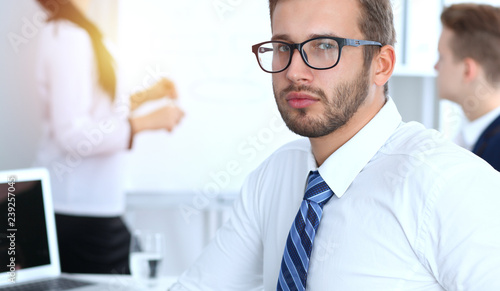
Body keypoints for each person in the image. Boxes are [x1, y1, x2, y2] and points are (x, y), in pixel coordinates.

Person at [170, 0, 500, 290]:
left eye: (325, 46)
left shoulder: (448, 184)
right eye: (284, 47)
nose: (295, 72)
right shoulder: (273, 176)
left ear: (381, 65)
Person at [33, 0, 184, 274]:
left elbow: (98, 112)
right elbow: (72, 134)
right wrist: (144, 123)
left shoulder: (79, 32)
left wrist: (145, 96)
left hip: (90, 208)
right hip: (77, 210)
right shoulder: (67, 37)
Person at [435, 3, 500, 171]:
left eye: (442, 57)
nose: (435, 66)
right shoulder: (471, 137)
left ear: (467, 70)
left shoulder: (493, 153)